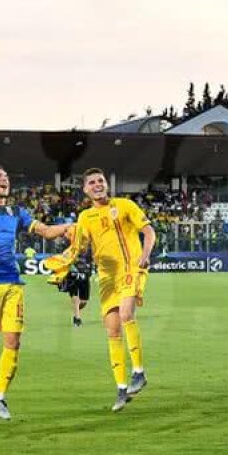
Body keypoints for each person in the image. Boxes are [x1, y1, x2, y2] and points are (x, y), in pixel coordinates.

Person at [0, 165, 72, 423]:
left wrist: (71, 226)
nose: (4, 179)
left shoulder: (17, 212)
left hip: (12, 281)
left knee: (13, 341)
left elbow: (46, 232)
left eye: (6, 176)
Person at [43, 169, 157, 411]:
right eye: (92, 182)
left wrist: (146, 255)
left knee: (126, 314)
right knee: (113, 330)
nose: (97, 185)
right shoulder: (85, 217)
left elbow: (148, 231)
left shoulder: (124, 205)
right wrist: (63, 263)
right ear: (85, 189)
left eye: (101, 181)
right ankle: (122, 389)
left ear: (106, 184)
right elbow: (79, 247)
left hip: (131, 267)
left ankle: (138, 371)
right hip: (106, 277)